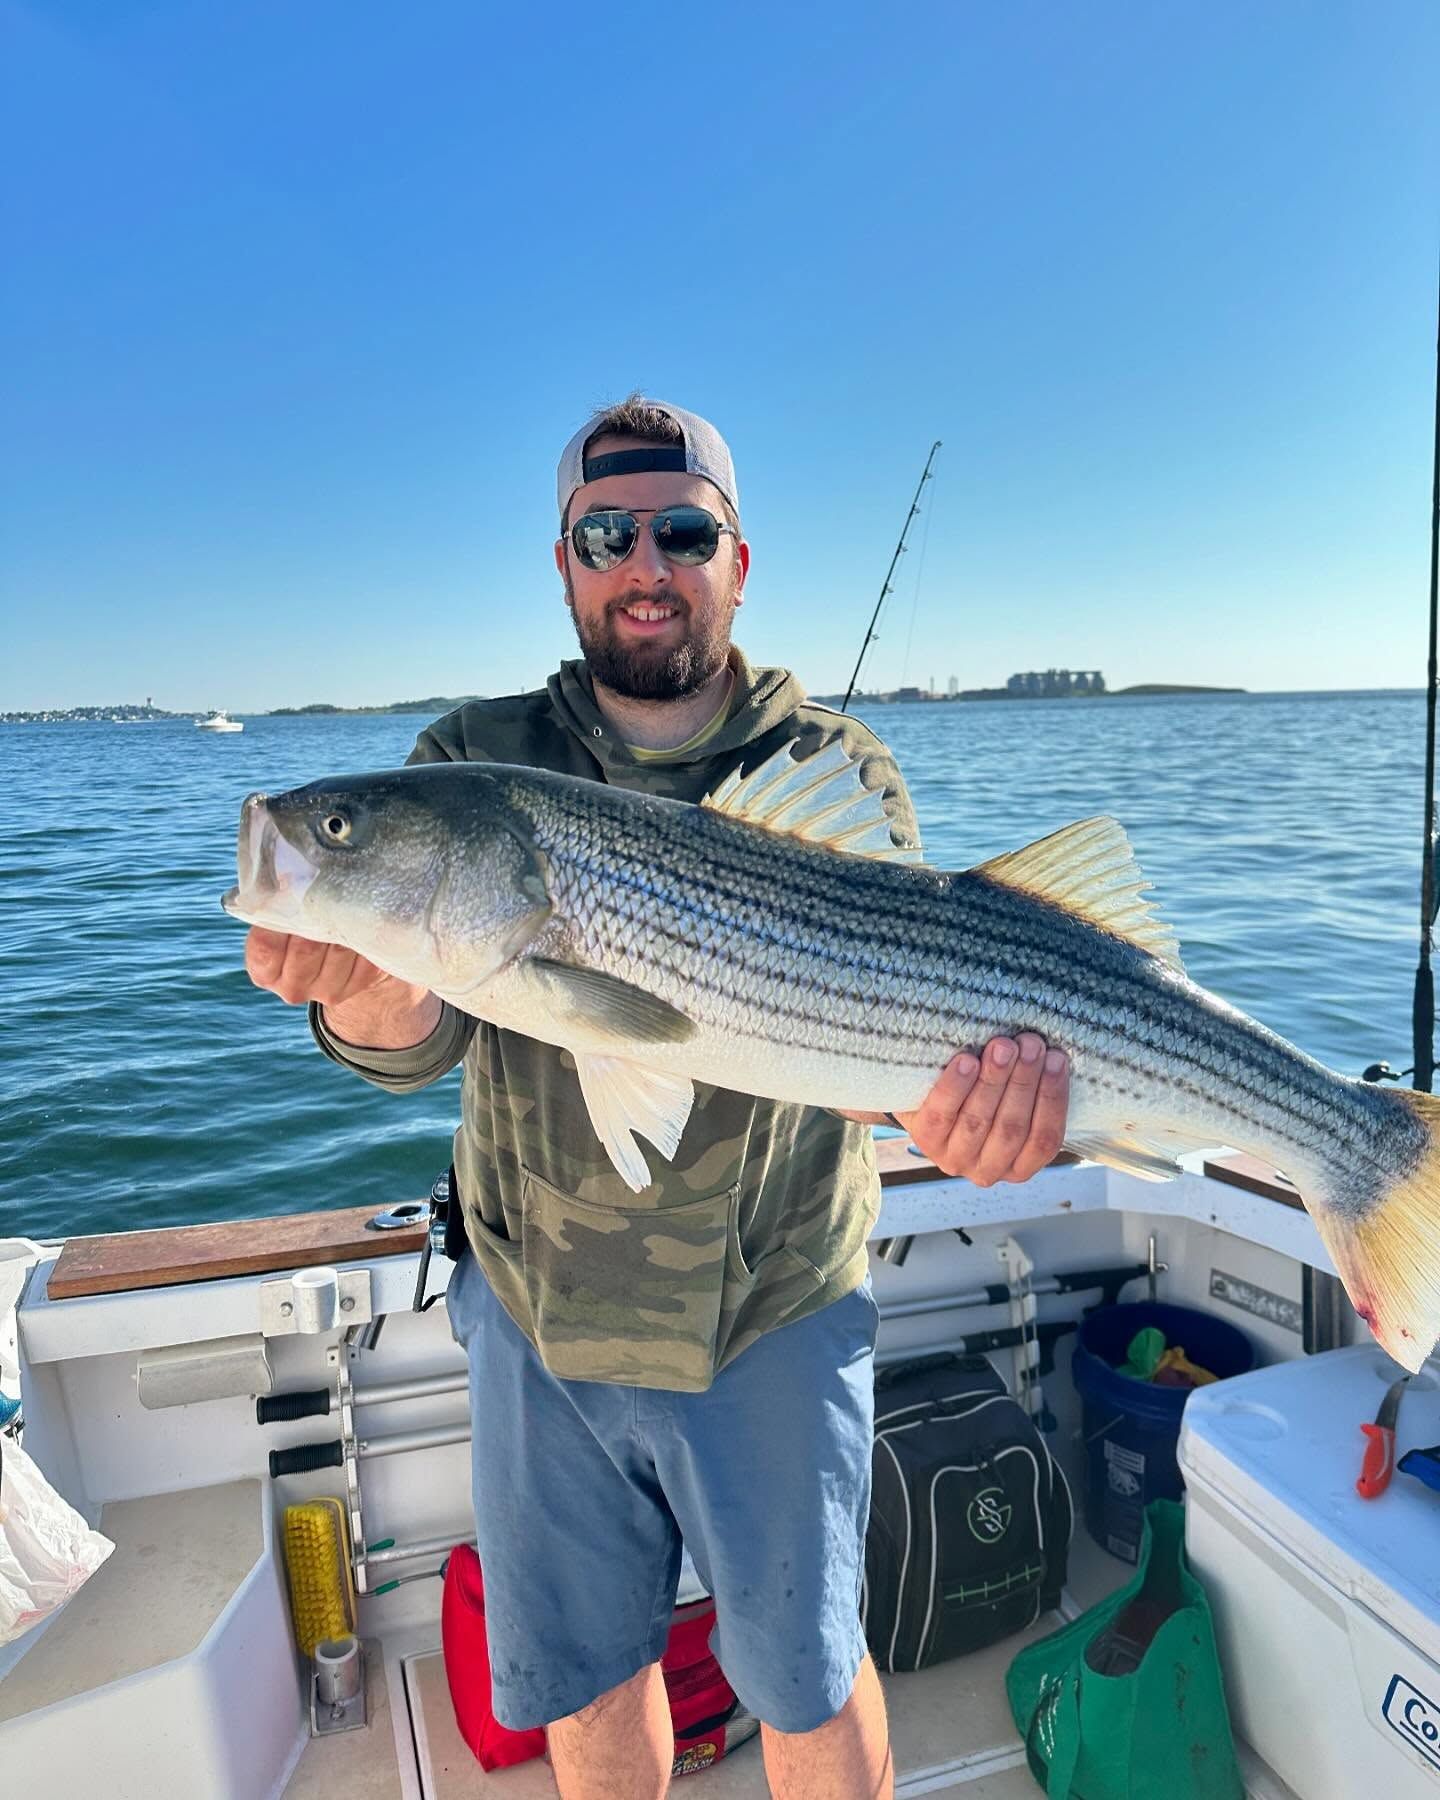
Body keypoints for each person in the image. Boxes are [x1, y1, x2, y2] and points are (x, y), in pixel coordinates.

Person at [244, 397, 1070, 1800]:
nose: (645, 562)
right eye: (605, 533)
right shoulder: (469, 762)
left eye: (682, 531)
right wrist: (362, 998)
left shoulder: (837, 771)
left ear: (737, 563)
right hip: (536, 1308)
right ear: (564, 565)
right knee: (585, 1675)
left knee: (808, 1676)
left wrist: (981, 1120)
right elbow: (418, 1031)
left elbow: (900, 1053)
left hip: (775, 1314)